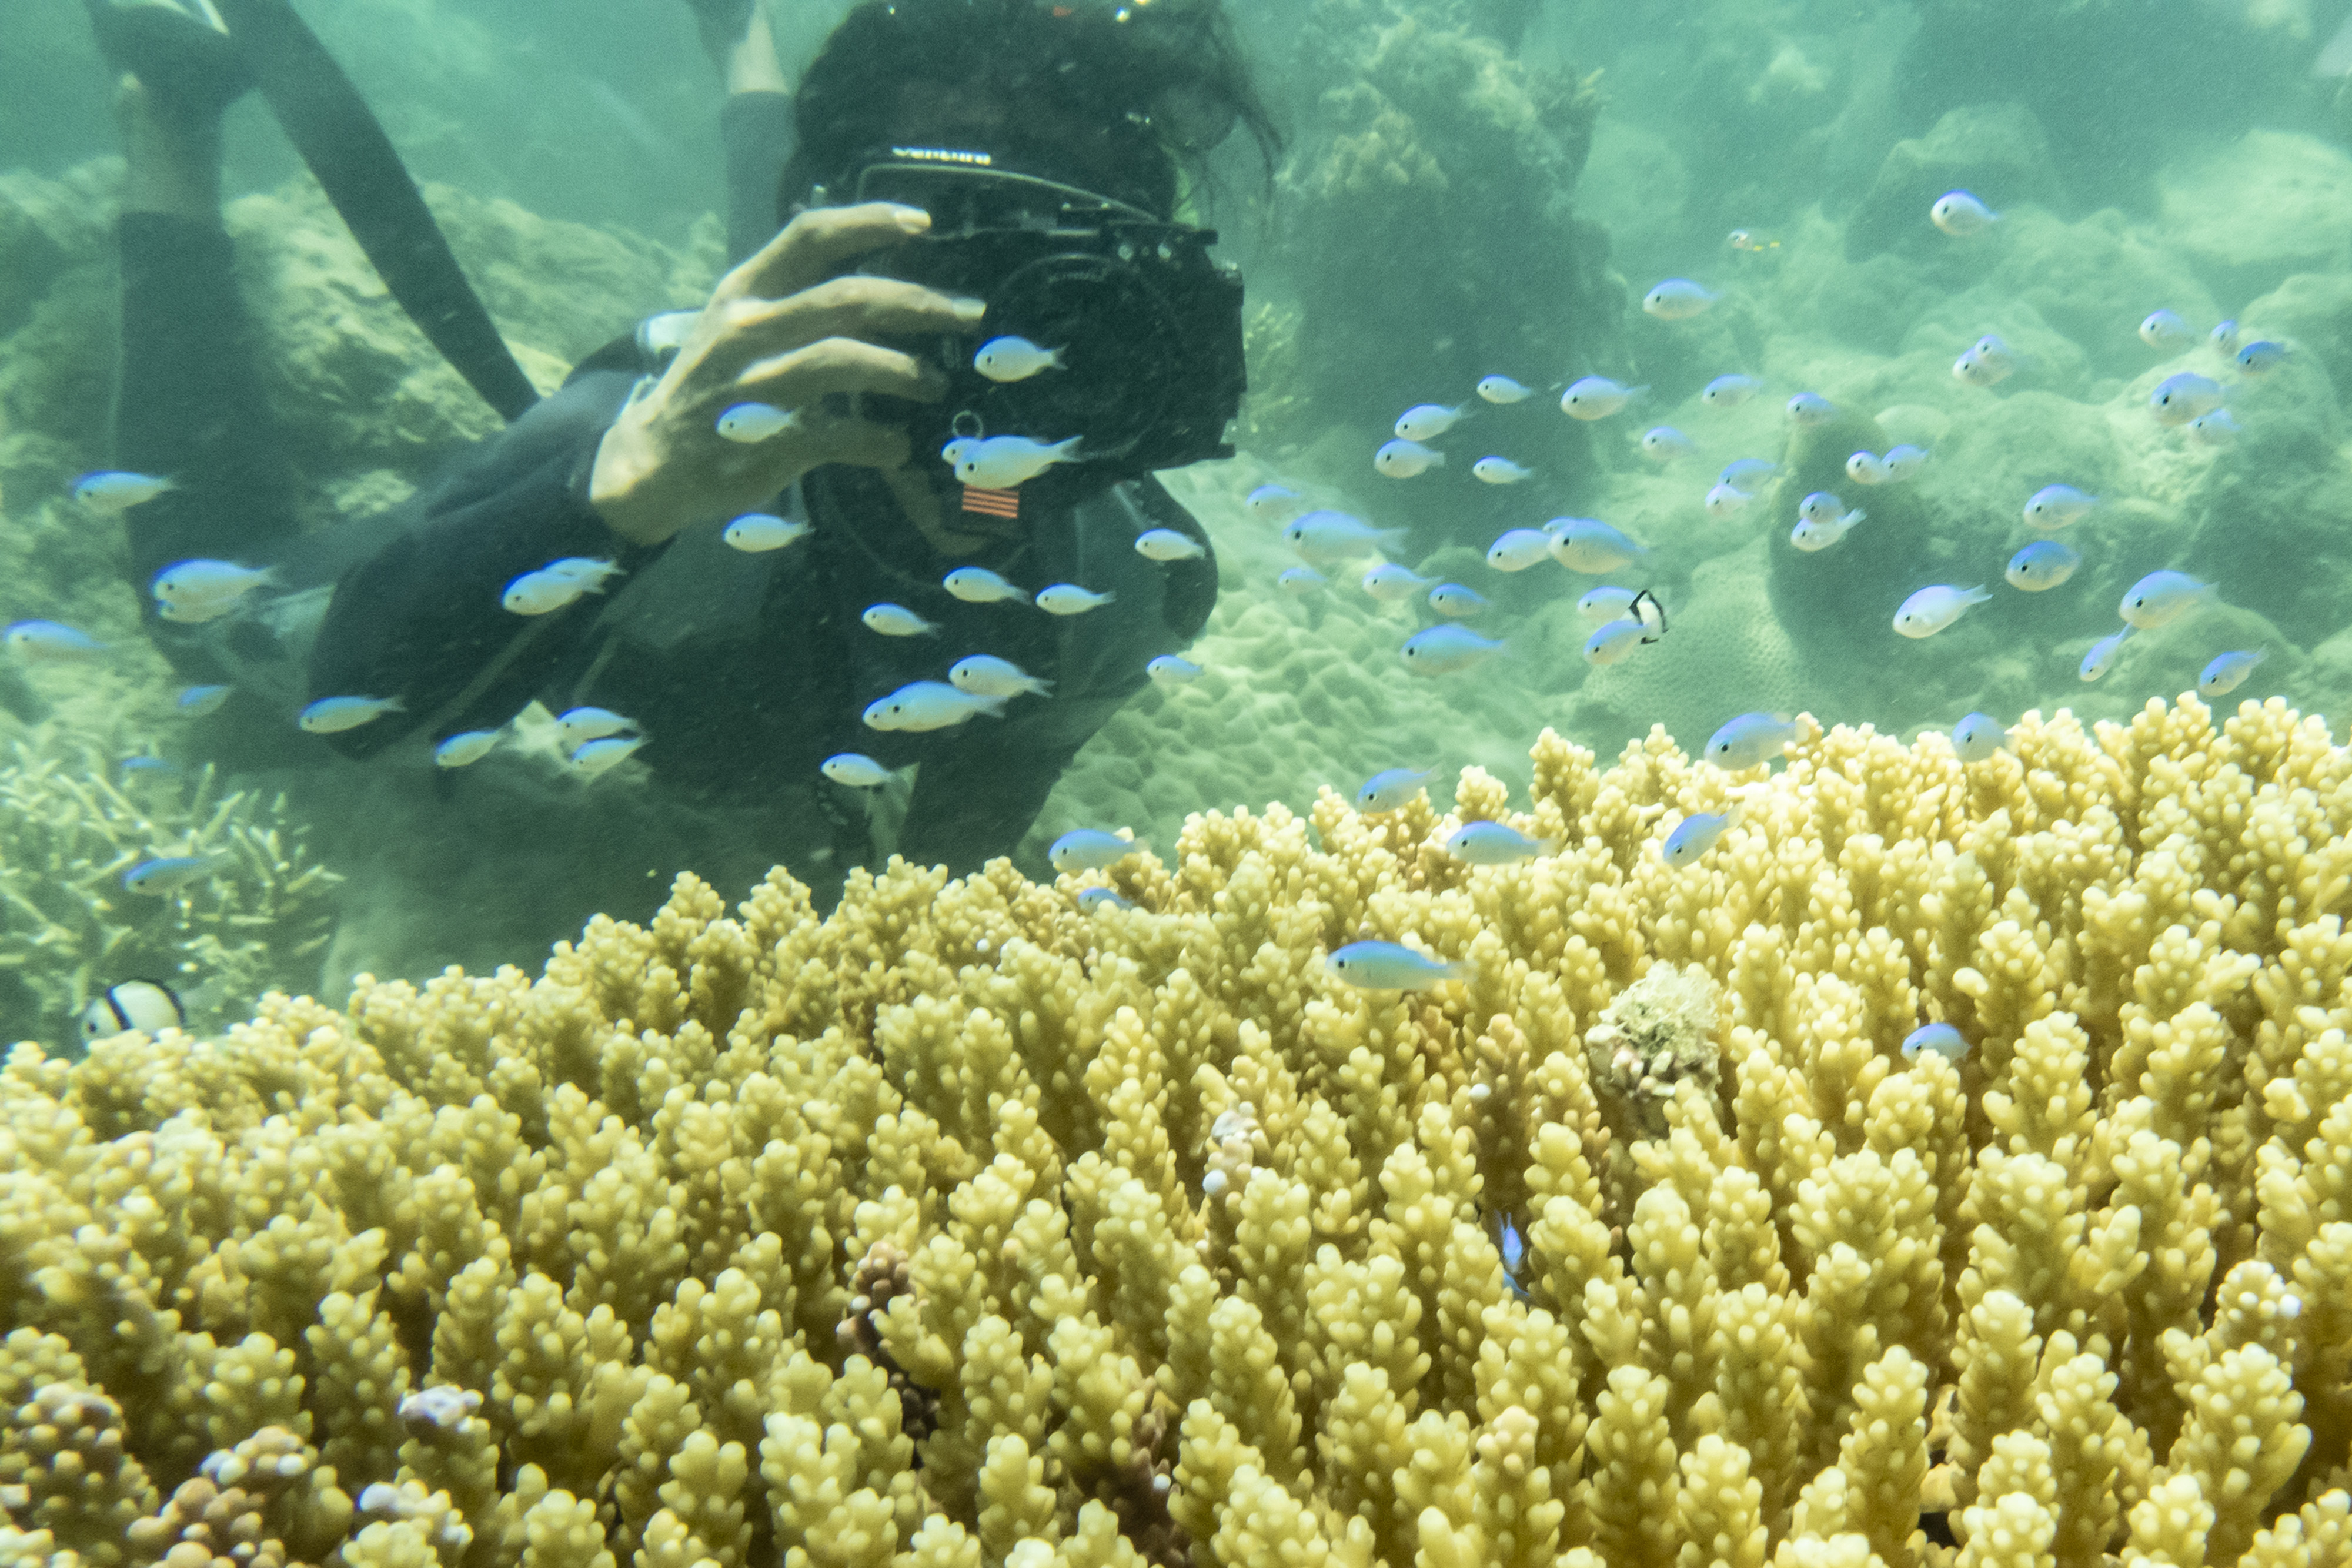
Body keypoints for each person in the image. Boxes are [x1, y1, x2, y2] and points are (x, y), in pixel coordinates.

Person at [87, 0, 1275, 885]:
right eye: (942, 251)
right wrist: (614, 499)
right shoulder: (665, 414)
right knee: (193, 604)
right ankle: (174, 115)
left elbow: (975, 812)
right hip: (663, 453)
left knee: (853, 232)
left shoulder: (1133, 588)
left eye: (1042, 273)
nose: (979, 310)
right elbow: (351, 690)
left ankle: (745, 37)